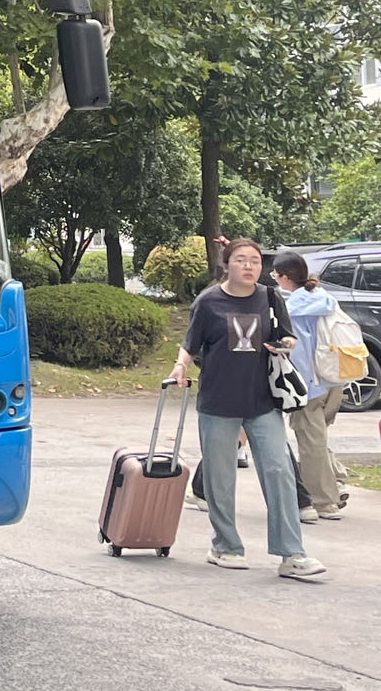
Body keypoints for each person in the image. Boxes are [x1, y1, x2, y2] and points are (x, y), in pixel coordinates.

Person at [169, 237, 325, 580]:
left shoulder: (269, 297)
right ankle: (225, 546)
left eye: (254, 260)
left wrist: (286, 344)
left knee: (279, 471)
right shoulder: (208, 301)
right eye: (241, 260)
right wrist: (180, 367)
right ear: (227, 264)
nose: (249, 266)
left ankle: (291, 553)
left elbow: (288, 334)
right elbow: (190, 343)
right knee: (220, 478)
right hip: (218, 402)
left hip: (263, 401)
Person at [272, 251, 351, 521]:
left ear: (284, 277)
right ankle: (336, 482)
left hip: (309, 383)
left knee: (310, 442)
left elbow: (300, 351)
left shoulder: (293, 308)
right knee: (318, 438)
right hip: (334, 380)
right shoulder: (323, 298)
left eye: (275, 275)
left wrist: (297, 387)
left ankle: (324, 501)